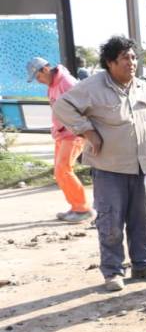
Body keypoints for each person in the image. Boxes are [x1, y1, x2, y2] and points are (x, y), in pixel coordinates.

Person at [53, 36, 146, 292]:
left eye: (134, 57)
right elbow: (63, 106)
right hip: (109, 169)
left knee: (143, 221)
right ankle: (113, 272)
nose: (132, 63)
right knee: (111, 223)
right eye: (125, 58)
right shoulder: (93, 87)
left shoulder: (143, 88)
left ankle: (143, 264)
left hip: (143, 167)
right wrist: (87, 130)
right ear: (110, 62)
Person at [26, 56, 92, 224]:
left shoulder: (67, 82)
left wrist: (75, 129)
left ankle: (83, 209)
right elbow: (58, 109)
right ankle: (76, 206)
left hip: (73, 134)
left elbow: (84, 107)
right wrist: (56, 128)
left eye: (38, 77)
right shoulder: (51, 85)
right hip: (62, 134)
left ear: (45, 69)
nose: (38, 81)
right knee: (59, 171)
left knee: (64, 169)